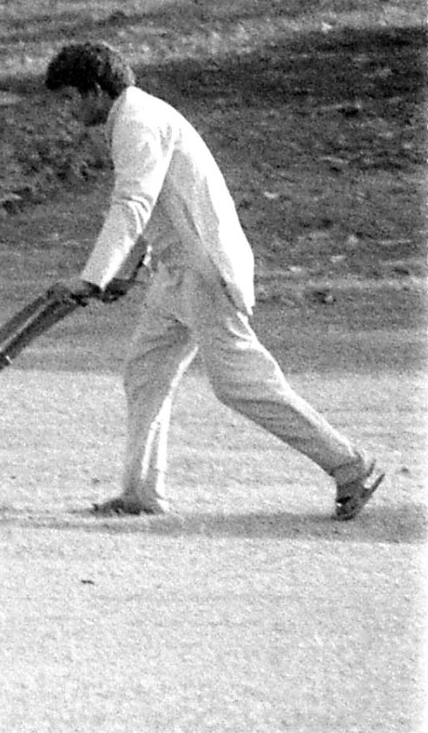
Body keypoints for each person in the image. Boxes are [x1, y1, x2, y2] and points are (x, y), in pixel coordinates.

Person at [44, 41, 383, 520]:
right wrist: (125, 273)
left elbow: (133, 204)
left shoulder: (138, 121)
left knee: (239, 382)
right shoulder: (134, 118)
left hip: (204, 269)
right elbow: (158, 204)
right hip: (175, 271)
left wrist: (91, 280)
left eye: (70, 99)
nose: (68, 111)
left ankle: (350, 465)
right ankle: (142, 493)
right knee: (145, 371)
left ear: (96, 91)